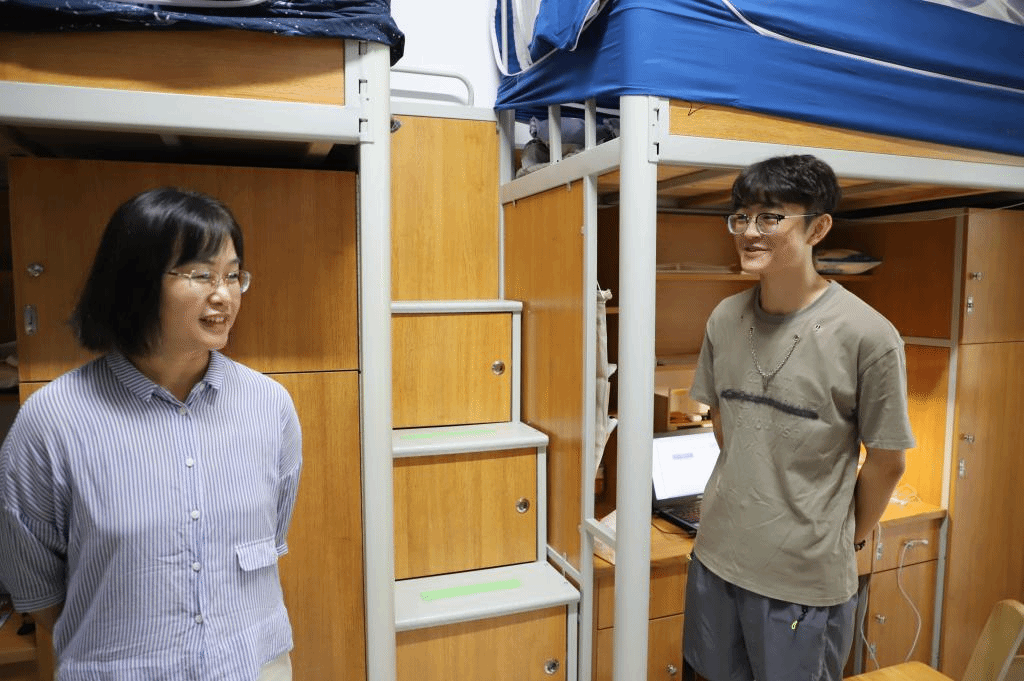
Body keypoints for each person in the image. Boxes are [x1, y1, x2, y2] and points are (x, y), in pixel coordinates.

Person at [0, 187, 302, 681]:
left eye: (233, 275)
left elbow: (270, 540)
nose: (224, 295)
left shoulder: (269, 406)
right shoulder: (53, 421)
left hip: (254, 664)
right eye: (201, 275)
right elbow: (38, 589)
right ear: (135, 281)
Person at [683, 155, 914, 681]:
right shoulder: (724, 318)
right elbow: (725, 428)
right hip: (716, 561)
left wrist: (841, 538)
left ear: (818, 228)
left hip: (802, 584)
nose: (749, 232)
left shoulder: (868, 336)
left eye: (770, 217)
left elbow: (888, 464)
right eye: (741, 217)